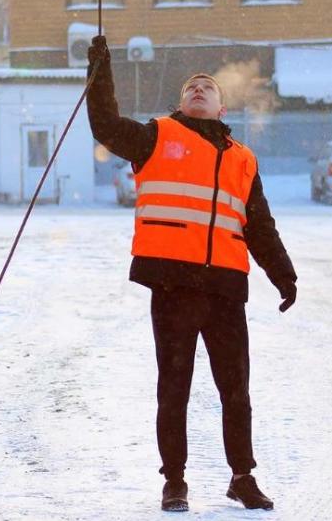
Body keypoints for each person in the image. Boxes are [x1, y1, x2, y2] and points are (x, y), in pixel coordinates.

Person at [85, 36, 296, 512]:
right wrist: (99, 68)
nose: (199, 89)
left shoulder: (243, 159)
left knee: (235, 390)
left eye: (208, 86)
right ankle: (174, 480)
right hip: (173, 286)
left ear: (222, 107)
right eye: (191, 87)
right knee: (174, 387)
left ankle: (242, 477)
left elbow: (258, 225)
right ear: (180, 102)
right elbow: (104, 124)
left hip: (223, 289)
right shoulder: (156, 137)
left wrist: (284, 276)